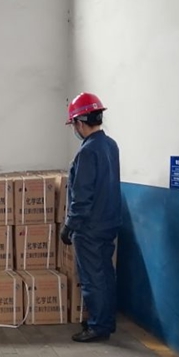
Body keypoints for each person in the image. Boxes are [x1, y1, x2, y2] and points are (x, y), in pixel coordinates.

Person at [60, 92, 122, 343]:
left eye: (73, 123)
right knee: (105, 274)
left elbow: (82, 195)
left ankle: (98, 326)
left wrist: (69, 226)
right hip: (109, 222)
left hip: (90, 227)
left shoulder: (87, 152)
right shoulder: (110, 145)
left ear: (79, 122)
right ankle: (104, 320)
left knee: (92, 278)